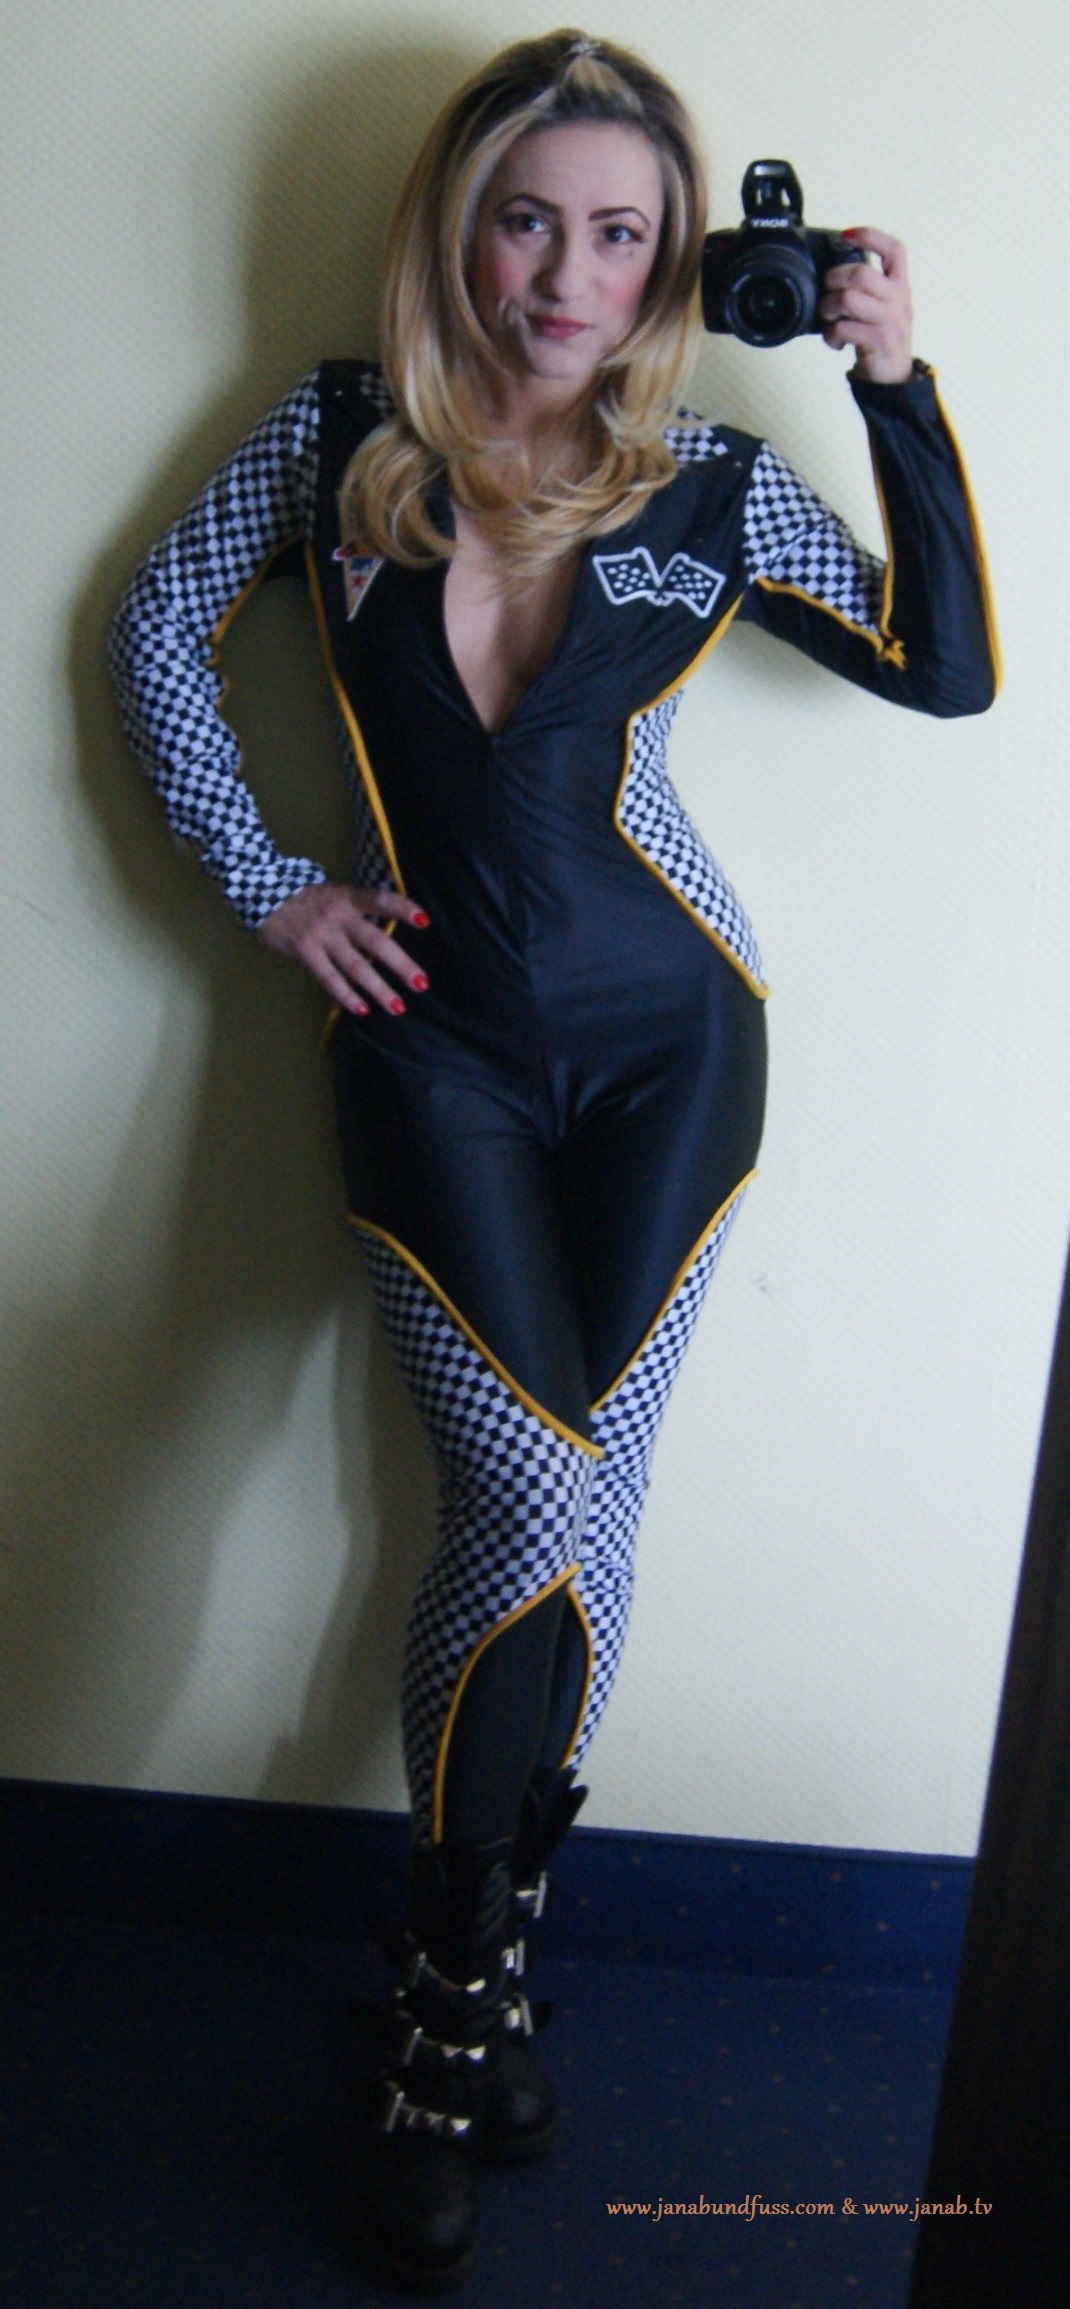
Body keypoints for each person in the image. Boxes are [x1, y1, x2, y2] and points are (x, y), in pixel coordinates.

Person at [108, 25, 997, 2292]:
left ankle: (466, 1987)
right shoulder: (333, 435)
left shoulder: (706, 485)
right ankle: (453, 2007)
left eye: (619, 233)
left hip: (673, 1057)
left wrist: (895, 388)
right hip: (433, 1057)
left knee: (584, 1513)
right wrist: (269, 888)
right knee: (522, 1499)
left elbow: (942, 667)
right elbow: (152, 633)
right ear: (458, 227)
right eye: (529, 221)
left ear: (669, 259)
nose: (566, 274)